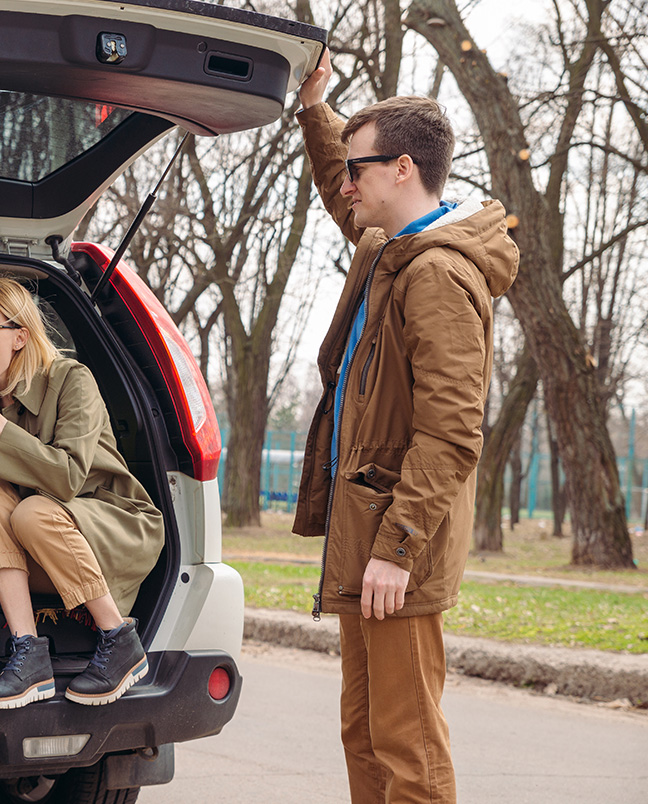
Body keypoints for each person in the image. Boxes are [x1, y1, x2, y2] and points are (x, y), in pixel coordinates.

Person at [292, 50, 519, 803]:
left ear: (402, 169)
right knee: (365, 734)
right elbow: (336, 189)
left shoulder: (437, 274)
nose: (347, 183)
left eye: (360, 169)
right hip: (368, 535)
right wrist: (316, 107)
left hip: (399, 546)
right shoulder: (386, 248)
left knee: (408, 746)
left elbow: (453, 432)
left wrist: (396, 549)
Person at [0, 276, 165, 709]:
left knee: (32, 512)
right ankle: (27, 651)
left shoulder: (71, 379)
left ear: (20, 337)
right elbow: (6, 490)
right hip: (49, 537)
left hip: (114, 528)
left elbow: (66, 479)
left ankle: (119, 638)